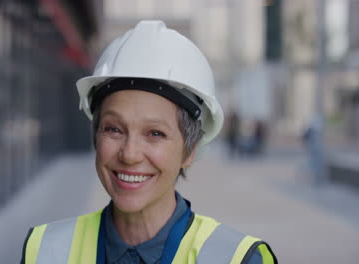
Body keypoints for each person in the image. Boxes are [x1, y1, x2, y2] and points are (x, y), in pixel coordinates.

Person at [20, 20, 277, 264]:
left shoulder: (237, 259)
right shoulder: (47, 252)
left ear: (191, 149)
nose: (130, 154)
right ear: (96, 136)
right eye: (114, 129)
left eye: (155, 133)